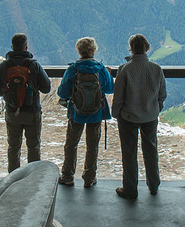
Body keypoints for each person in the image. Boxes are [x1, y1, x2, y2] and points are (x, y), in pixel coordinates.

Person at [112, 34, 167, 200]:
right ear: (147, 48)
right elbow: (162, 94)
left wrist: (116, 114)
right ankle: (154, 185)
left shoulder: (125, 69)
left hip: (128, 117)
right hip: (150, 116)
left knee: (129, 153)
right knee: (151, 150)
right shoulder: (156, 69)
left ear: (131, 48)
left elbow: (118, 96)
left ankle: (130, 189)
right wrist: (155, 109)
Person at [57, 37, 114, 188]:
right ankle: (89, 178)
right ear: (94, 50)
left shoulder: (73, 69)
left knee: (71, 144)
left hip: (76, 112)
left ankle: (68, 175)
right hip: (96, 112)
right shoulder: (100, 69)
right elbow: (110, 89)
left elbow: (63, 92)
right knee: (92, 145)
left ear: (79, 51)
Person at [0, 33, 51, 173]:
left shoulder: (4, 66)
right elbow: (46, 88)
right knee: (34, 146)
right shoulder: (34, 65)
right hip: (32, 111)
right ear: (26, 47)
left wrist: (9, 93)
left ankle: (13, 177)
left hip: (12, 112)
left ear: (12, 47)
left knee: (13, 146)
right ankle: (33, 179)